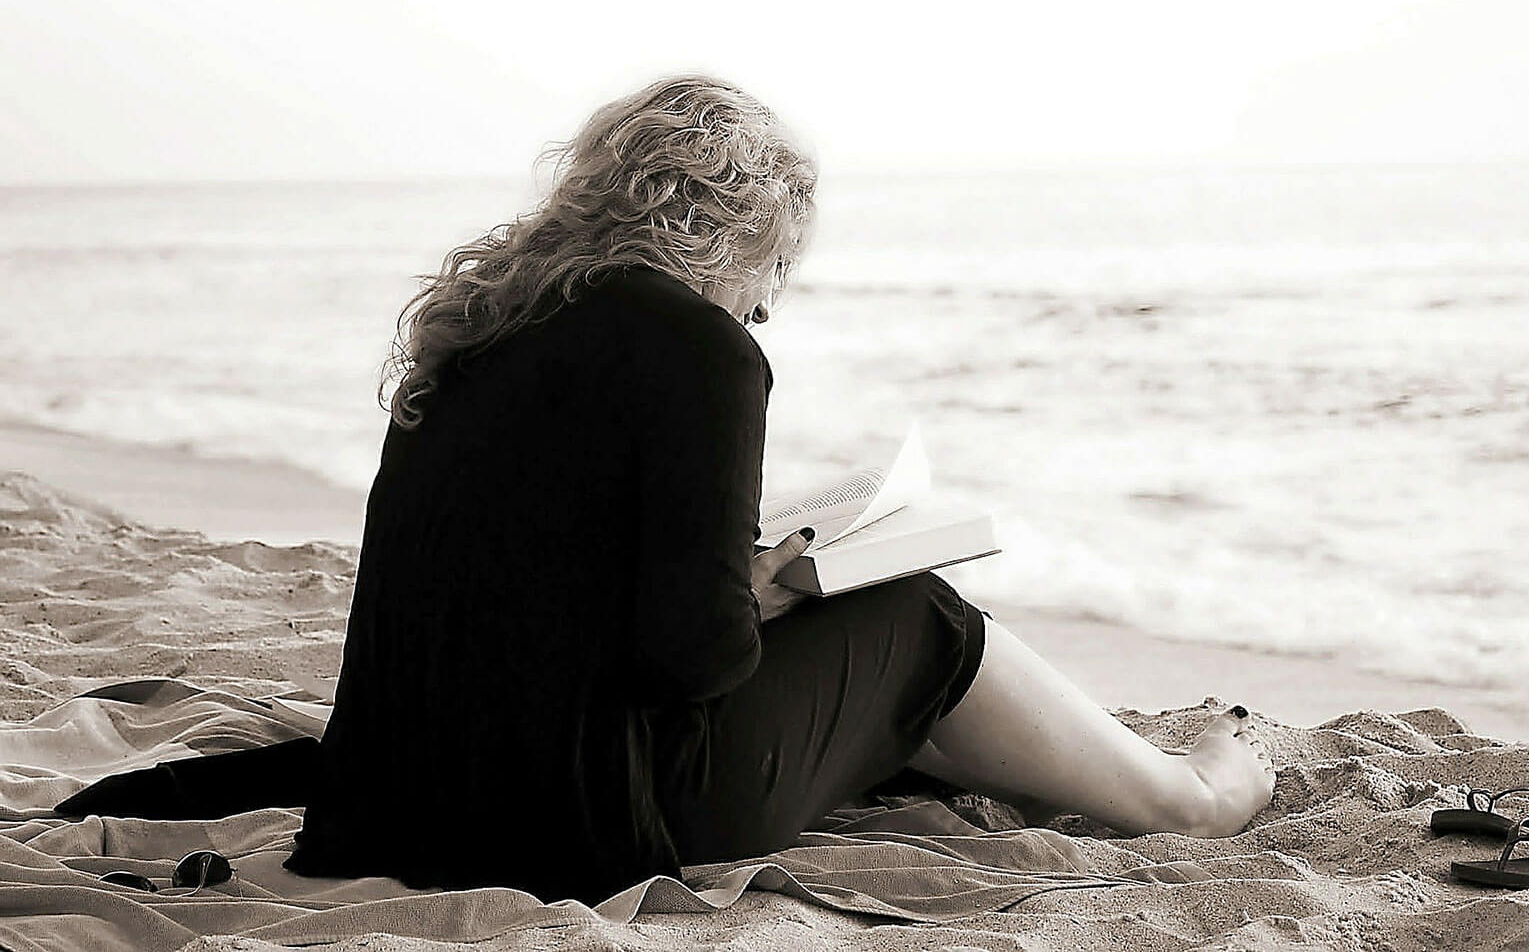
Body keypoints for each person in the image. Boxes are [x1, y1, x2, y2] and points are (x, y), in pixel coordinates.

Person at [57, 75, 1274, 905]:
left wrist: (729, 583)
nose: (771, 301)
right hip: (584, 831)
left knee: (868, 653)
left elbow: (503, 588)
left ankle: (1053, 757)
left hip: (401, 803)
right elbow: (691, 662)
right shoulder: (697, 347)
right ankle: (1189, 798)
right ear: (731, 231)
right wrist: (758, 593)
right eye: (776, 264)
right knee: (920, 613)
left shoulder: (475, 333)